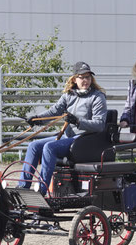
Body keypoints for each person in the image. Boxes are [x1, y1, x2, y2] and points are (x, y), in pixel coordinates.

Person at [18, 61, 108, 195]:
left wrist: (78, 122)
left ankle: (41, 191)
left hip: (84, 140)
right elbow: (53, 112)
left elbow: (99, 124)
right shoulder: (68, 95)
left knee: (50, 147)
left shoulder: (97, 97)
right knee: (34, 146)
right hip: (68, 137)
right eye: (82, 77)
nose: (85, 80)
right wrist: (36, 119)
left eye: (88, 77)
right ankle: (22, 189)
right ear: (74, 79)